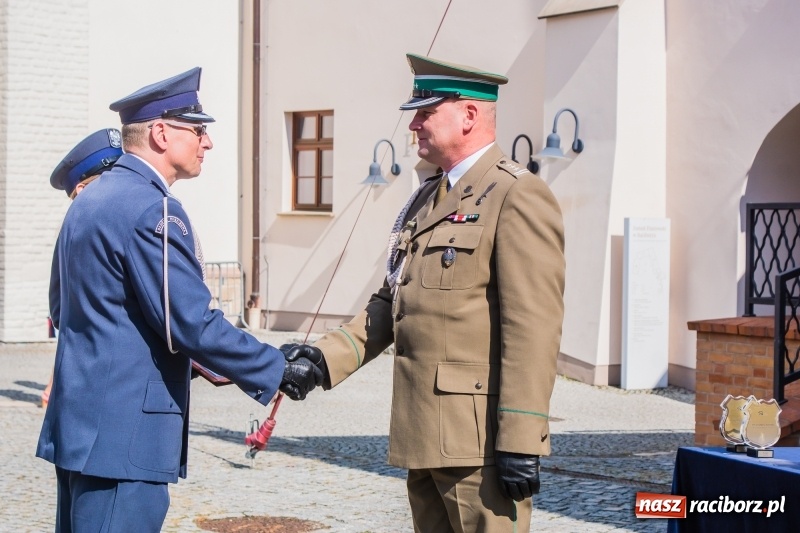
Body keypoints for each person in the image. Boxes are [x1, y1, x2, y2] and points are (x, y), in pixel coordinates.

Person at [281, 53, 566, 532]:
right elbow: (393, 299)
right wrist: (324, 359)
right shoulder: (430, 198)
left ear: (469, 115)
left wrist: (521, 436)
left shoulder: (516, 195)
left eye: (426, 112)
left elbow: (534, 325)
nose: (413, 124)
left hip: (479, 445)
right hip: (425, 433)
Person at [36, 67, 323, 532]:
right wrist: (275, 367)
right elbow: (189, 323)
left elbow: (65, 309)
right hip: (124, 440)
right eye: (198, 130)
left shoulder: (90, 200)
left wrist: (225, 364)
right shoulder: (155, 207)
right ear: (161, 133)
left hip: (80, 429)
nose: (206, 143)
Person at [41, 128, 124, 409]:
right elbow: (62, 312)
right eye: (109, 179)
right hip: (101, 382)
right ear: (82, 189)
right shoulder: (79, 233)